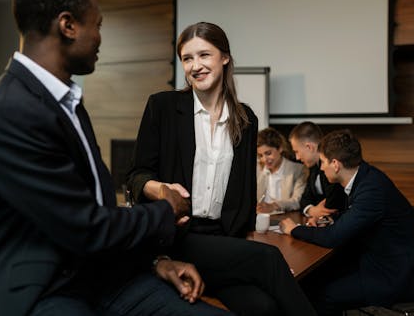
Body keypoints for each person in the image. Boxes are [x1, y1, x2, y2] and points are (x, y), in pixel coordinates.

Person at [0, 0, 232, 315]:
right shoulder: (6, 111)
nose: (99, 38)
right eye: (97, 25)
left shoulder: (65, 101)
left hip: (100, 275)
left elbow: (95, 208)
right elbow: (86, 226)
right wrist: (166, 209)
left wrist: (156, 261)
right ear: (68, 26)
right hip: (44, 293)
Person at [127, 22, 316, 316]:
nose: (195, 66)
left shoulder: (246, 118)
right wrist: (163, 190)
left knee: (262, 307)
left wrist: (242, 249)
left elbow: (244, 192)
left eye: (204, 55)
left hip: (224, 242)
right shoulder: (162, 107)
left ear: (224, 58)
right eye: (187, 58)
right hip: (179, 237)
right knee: (269, 260)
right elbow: (136, 176)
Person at [280, 129, 414, 315]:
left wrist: (294, 229)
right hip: (379, 258)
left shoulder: (371, 189)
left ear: (335, 164)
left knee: (319, 293)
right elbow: (356, 215)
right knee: (313, 278)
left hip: (398, 275)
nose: (321, 168)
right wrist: (332, 218)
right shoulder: (366, 176)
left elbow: (333, 237)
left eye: (324, 162)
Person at [289, 122, 348, 219]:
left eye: (297, 151)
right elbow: (304, 199)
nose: (297, 157)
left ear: (309, 147)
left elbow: (332, 206)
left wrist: (317, 214)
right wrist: (311, 210)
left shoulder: (332, 166)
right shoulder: (313, 167)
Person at [256, 127, 307, 213]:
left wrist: (273, 206)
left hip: (287, 219)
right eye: (260, 155)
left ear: (280, 148)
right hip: (262, 219)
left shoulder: (298, 170)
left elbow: (297, 201)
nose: (264, 159)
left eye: (268, 153)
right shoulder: (257, 170)